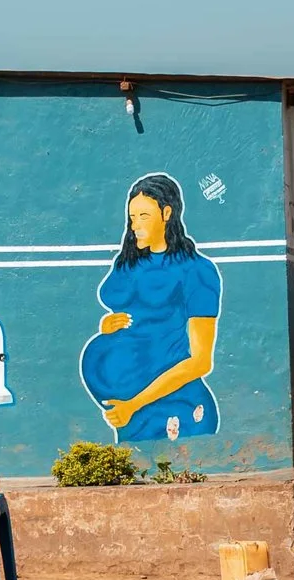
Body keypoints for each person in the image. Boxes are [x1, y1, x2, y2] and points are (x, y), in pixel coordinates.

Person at [80, 173, 222, 442]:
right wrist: (108, 326)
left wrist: (134, 404)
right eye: (132, 217)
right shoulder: (130, 262)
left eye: (144, 216)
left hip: (174, 409)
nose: (135, 225)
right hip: (131, 415)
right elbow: (135, 314)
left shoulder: (196, 271)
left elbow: (200, 361)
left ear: (166, 213)